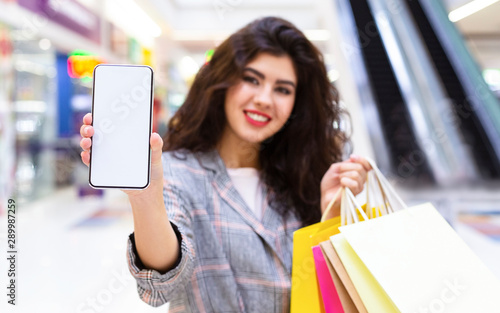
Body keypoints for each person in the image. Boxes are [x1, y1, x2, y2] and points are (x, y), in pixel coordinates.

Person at [80, 17, 371, 313]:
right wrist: (145, 198)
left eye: (282, 89)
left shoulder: (304, 177)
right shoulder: (177, 172)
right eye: (252, 79)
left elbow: (323, 294)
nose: (264, 99)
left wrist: (329, 215)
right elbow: (160, 285)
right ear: (224, 82)